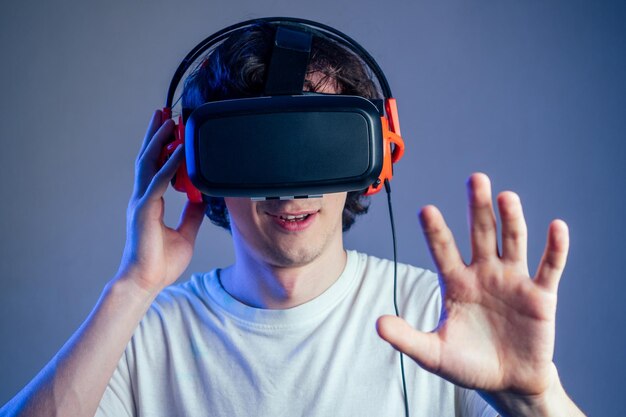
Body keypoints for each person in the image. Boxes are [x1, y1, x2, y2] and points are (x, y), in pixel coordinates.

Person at [0, 19, 585, 417]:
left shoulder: (443, 316)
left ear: (374, 156)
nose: (287, 188)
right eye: (256, 151)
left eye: (315, 145)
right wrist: (132, 287)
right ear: (190, 167)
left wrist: (535, 396)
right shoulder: (139, 332)